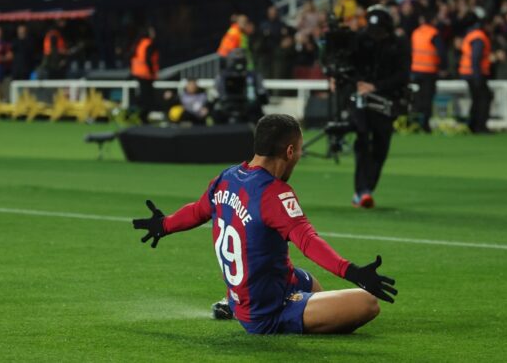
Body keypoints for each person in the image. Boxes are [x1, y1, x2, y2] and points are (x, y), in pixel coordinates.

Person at [132, 114, 397, 334]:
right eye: (300, 150)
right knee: (367, 303)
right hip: (267, 311)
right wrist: (353, 273)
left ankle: (233, 304)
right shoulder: (274, 193)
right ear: (290, 151)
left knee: (313, 285)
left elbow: (198, 211)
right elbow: (307, 241)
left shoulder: (226, 177)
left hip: (260, 288)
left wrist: (164, 225)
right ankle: (262, 314)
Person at [347, 5, 409, 208]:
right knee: (362, 140)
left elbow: (402, 75)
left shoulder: (399, 44)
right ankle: (362, 190)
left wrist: (375, 86)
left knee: (381, 146)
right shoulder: (360, 40)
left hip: (385, 101)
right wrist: (358, 84)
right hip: (362, 100)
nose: (375, 36)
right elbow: (348, 66)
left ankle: (366, 189)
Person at [410, 12, 446, 133]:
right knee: (427, 98)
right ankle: (425, 124)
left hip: (415, 70)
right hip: (429, 71)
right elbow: (441, 52)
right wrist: (443, 67)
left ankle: (414, 122)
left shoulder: (415, 32)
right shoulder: (433, 33)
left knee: (417, 97)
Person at [459, 20, 493, 134]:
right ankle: (480, 126)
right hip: (475, 73)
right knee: (483, 99)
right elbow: (476, 57)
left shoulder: (471, 35)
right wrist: (477, 76)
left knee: (477, 99)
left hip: (469, 72)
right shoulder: (479, 37)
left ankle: (473, 125)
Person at [130, 27, 159, 124]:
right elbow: (148, 60)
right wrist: (152, 73)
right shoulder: (149, 43)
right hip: (146, 75)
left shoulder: (140, 43)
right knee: (148, 98)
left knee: (144, 96)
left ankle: (141, 116)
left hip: (138, 73)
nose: (154, 33)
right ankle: (143, 117)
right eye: (152, 32)